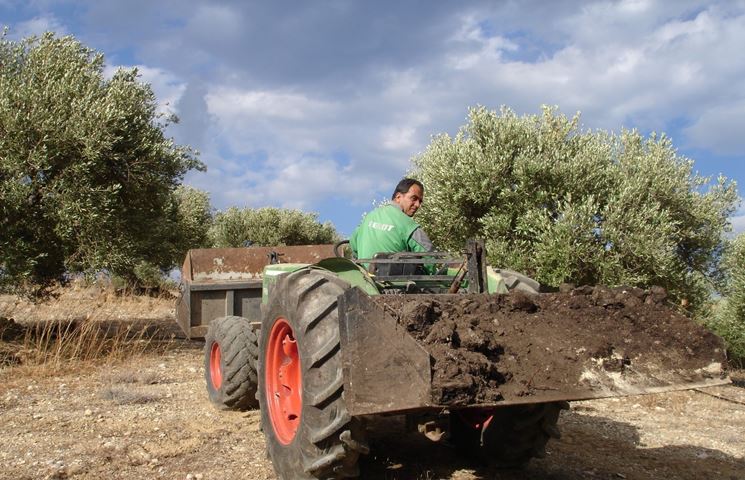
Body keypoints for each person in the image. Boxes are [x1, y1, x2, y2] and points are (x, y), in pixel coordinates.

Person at [349, 178, 433, 265]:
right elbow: (429, 255)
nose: (417, 205)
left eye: (420, 201)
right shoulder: (408, 225)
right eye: (414, 198)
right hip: (394, 278)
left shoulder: (369, 216)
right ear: (398, 197)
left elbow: (353, 244)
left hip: (365, 276)